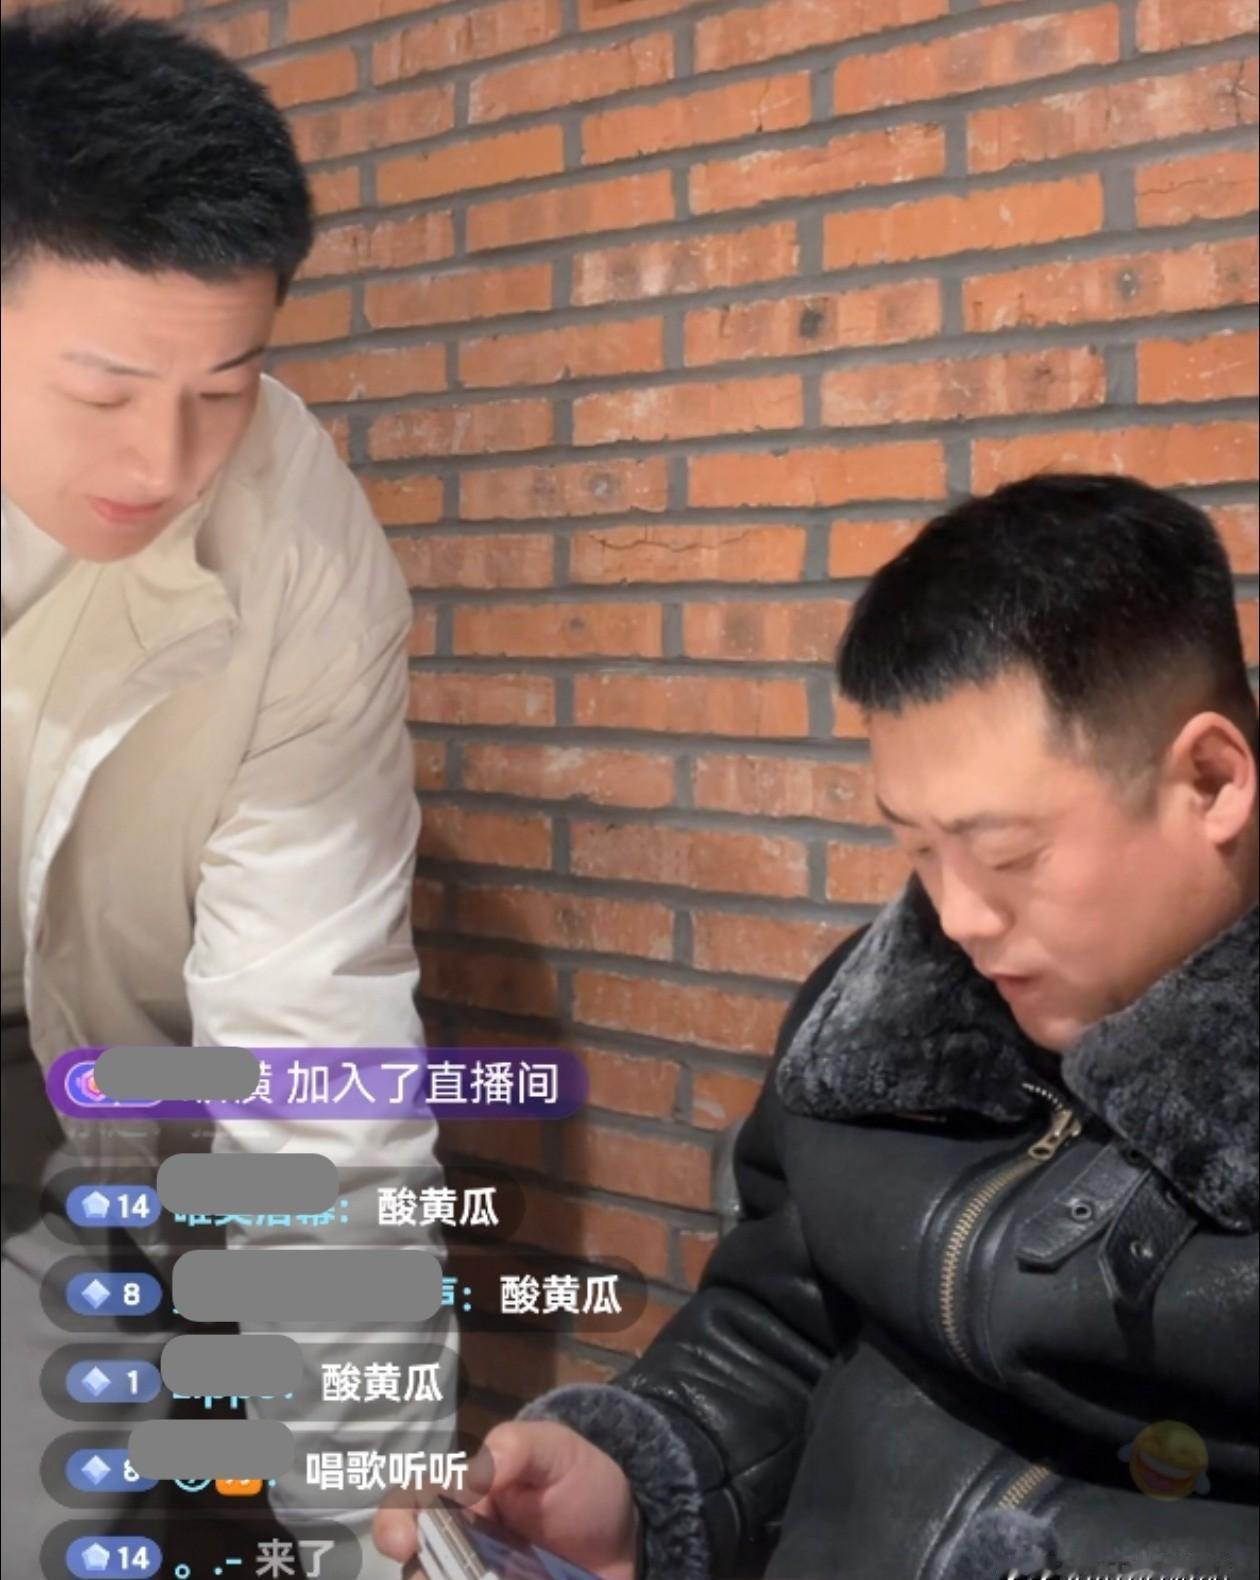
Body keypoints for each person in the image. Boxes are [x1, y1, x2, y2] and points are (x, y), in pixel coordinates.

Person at [376, 473, 1259, 1579]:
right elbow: (778, 1328)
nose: (960, 916)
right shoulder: (885, 1021)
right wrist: (641, 1482)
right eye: (917, 847)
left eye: (1008, 854)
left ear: (1212, 780)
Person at [0, 8, 450, 1576]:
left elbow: (316, 1043)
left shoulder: (301, 547)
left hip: (78, 1086)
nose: (164, 459)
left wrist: (371, 1516)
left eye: (225, 384)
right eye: (103, 388)